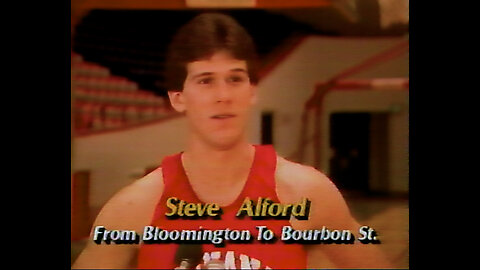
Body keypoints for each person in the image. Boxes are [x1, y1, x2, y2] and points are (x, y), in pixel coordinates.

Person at [72, 13, 392, 269]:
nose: (223, 96)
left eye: (235, 79)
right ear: (178, 98)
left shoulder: (307, 192)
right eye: (206, 81)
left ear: (252, 91)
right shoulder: (134, 207)